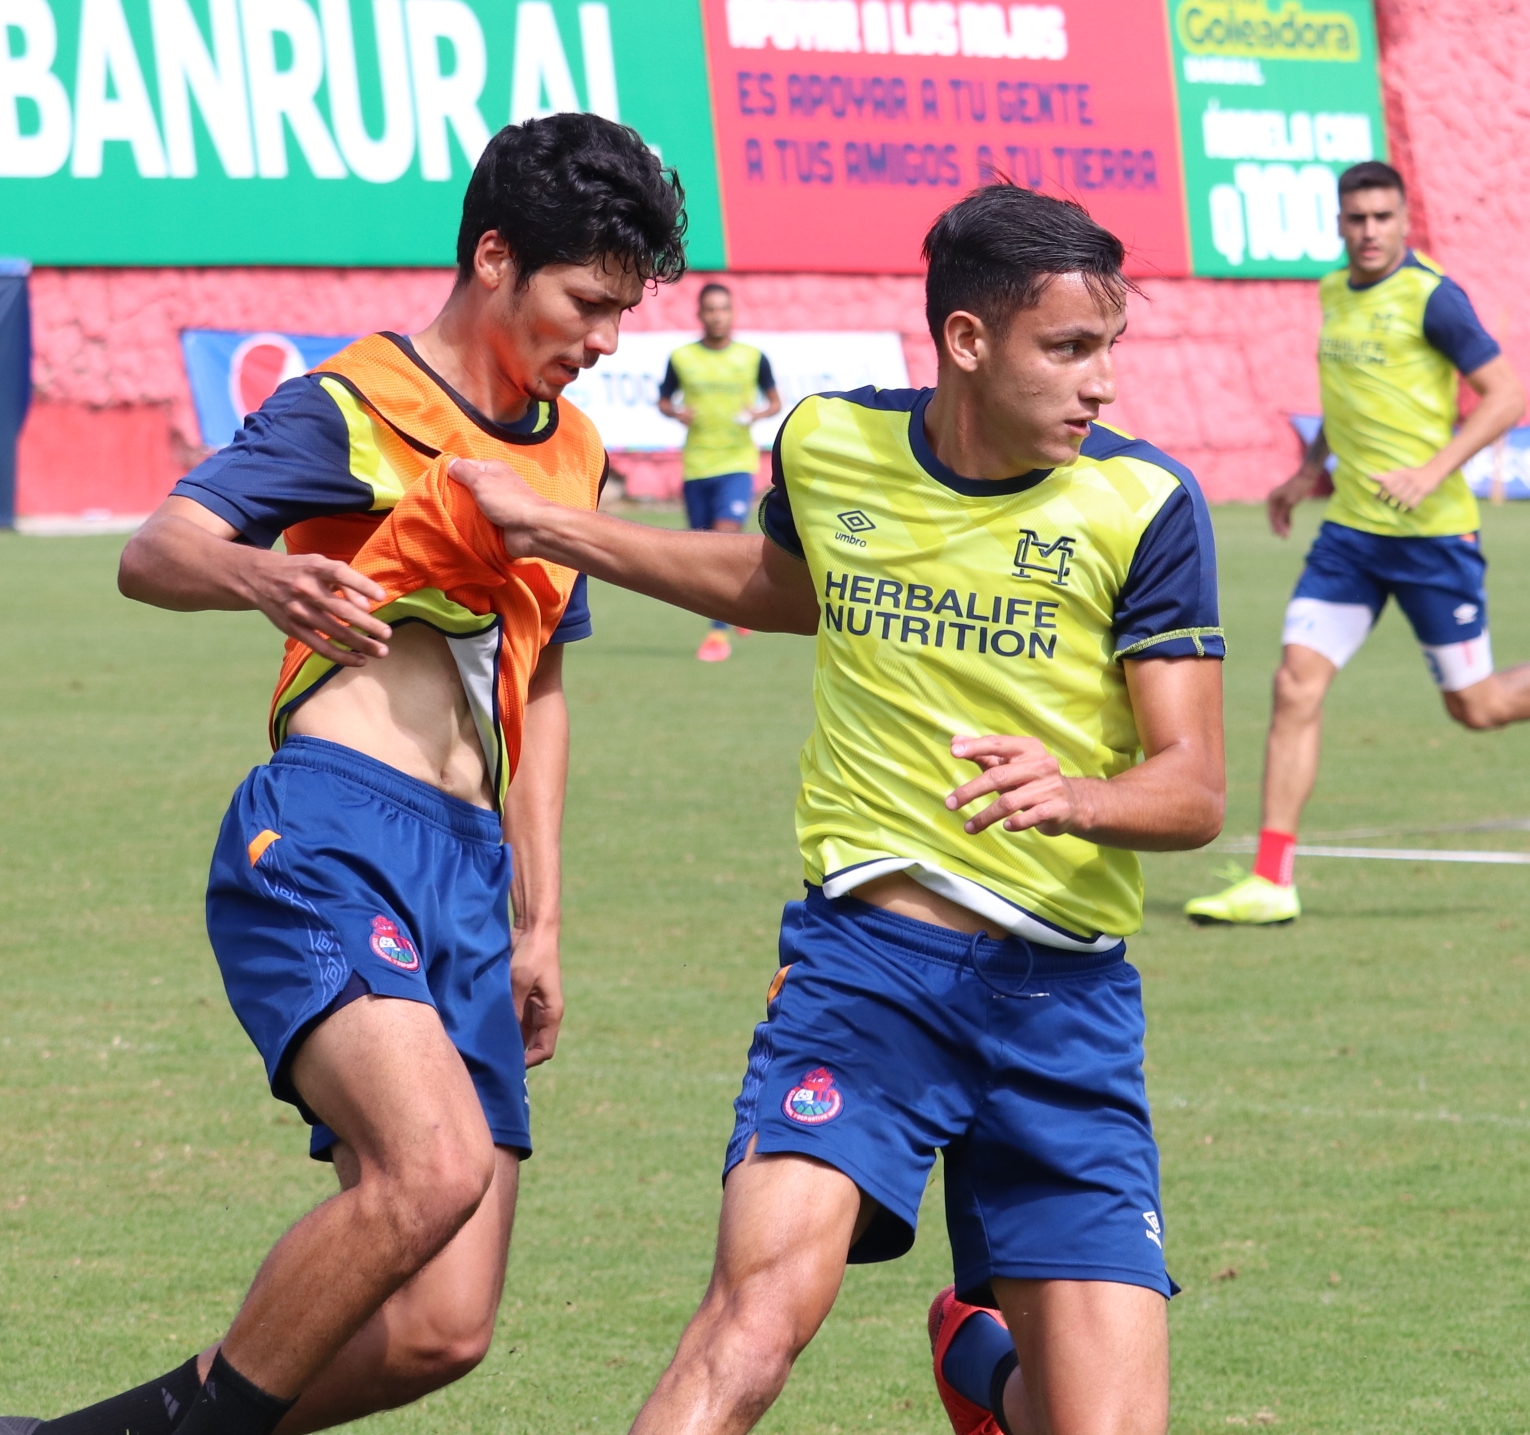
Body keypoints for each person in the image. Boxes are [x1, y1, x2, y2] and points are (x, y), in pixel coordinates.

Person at [444, 182, 1225, 1435]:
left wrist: (1075, 794)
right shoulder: (827, 444)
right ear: (967, 341)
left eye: (1108, 350)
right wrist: (559, 527)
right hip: (867, 973)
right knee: (748, 1329)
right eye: (1069, 349)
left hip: (1064, 1005)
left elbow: (1191, 790)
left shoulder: (1143, 505)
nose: (1102, 385)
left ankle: (981, 1369)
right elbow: (779, 583)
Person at [0, 113, 686, 1435]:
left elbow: (544, 684)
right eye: (588, 303)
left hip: (470, 874)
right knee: (431, 1166)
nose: (605, 341)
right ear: (492, 256)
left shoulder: (571, 451)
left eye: (623, 312)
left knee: (440, 1325)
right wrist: (265, 572)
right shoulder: (359, 402)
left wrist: (542, 916)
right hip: (335, 829)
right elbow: (155, 547)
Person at [1182, 160, 1530, 930]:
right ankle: (1272, 878)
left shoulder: (1435, 299)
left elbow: (1508, 396)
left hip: (1432, 538)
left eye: (1382, 217)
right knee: (1293, 686)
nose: (1369, 231)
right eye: (1356, 218)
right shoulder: (1332, 291)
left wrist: (1434, 468)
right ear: (1340, 222)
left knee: (1475, 708)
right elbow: (1342, 398)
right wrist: (1306, 471)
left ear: (1405, 219)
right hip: (1349, 533)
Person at [658, 282, 782, 661]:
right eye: (710, 309)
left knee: (724, 539)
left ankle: (717, 633)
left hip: (736, 463)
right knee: (704, 548)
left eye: (723, 309)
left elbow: (775, 401)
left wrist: (757, 413)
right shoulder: (682, 358)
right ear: (699, 314)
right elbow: (663, 400)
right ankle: (738, 608)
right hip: (698, 464)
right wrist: (676, 412)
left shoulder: (752, 357)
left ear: (732, 313)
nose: (717, 316)